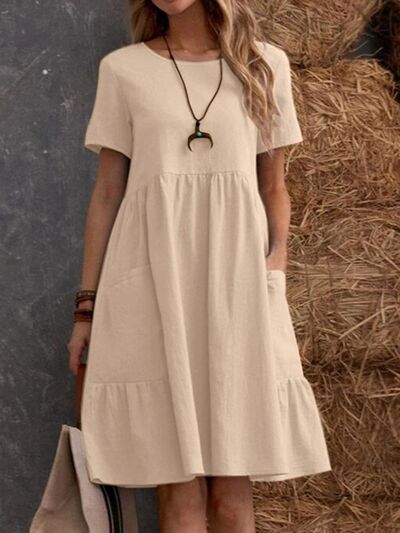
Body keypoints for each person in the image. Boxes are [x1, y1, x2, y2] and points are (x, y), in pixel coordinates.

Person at [67, 1, 332, 531]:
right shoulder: (122, 69)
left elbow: (274, 186)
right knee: (178, 488)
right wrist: (86, 307)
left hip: (238, 282)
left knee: (233, 489)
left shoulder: (264, 64)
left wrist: (274, 268)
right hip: (151, 280)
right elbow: (107, 193)